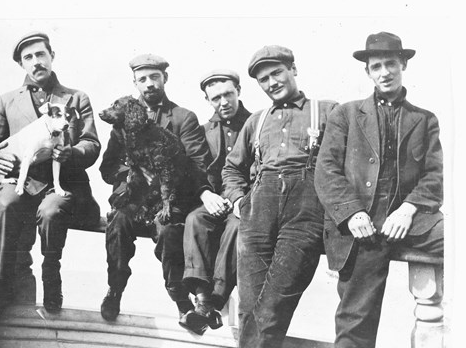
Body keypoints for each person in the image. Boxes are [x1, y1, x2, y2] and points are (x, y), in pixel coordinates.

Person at [315, 31, 444, 348]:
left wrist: (409, 207)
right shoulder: (345, 114)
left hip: (409, 221)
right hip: (364, 227)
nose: (384, 72)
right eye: (377, 66)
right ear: (368, 72)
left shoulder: (424, 120)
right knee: (355, 321)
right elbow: (326, 170)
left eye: (390, 64)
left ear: (403, 64)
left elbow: (434, 175)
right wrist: (352, 212)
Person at [0, 32, 101, 323]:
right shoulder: (6, 101)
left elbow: (92, 143)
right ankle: (3, 285)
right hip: (18, 178)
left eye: (40, 54)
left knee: (51, 211)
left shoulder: (76, 98)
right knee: (6, 206)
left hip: (61, 181)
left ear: (52, 56)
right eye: (28, 58)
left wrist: (71, 153)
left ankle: (51, 277)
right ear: (22, 64)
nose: (36, 62)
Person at [222, 45, 338, 347]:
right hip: (258, 212)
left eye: (277, 73)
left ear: (293, 70)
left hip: (305, 214)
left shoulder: (327, 111)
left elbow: (345, 166)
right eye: (264, 79)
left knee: (273, 306)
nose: (272, 82)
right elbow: (232, 168)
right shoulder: (256, 121)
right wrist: (239, 201)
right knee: (248, 307)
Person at [99, 54, 213, 324]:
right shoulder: (121, 119)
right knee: (116, 223)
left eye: (154, 77)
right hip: (134, 200)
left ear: (165, 78)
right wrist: (134, 173)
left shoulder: (184, 118)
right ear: (135, 83)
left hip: (168, 201)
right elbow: (107, 169)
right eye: (142, 79)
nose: (149, 84)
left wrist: (167, 176)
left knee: (170, 230)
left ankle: (181, 300)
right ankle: (115, 290)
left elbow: (198, 165)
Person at [180, 69, 251, 335]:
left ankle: (216, 298)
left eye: (228, 94)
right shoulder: (203, 131)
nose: (223, 102)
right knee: (195, 219)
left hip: (244, 200)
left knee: (236, 228)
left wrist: (240, 199)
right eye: (216, 98)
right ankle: (202, 299)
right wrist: (206, 195)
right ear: (208, 100)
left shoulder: (255, 123)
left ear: (239, 92)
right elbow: (195, 168)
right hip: (214, 199)